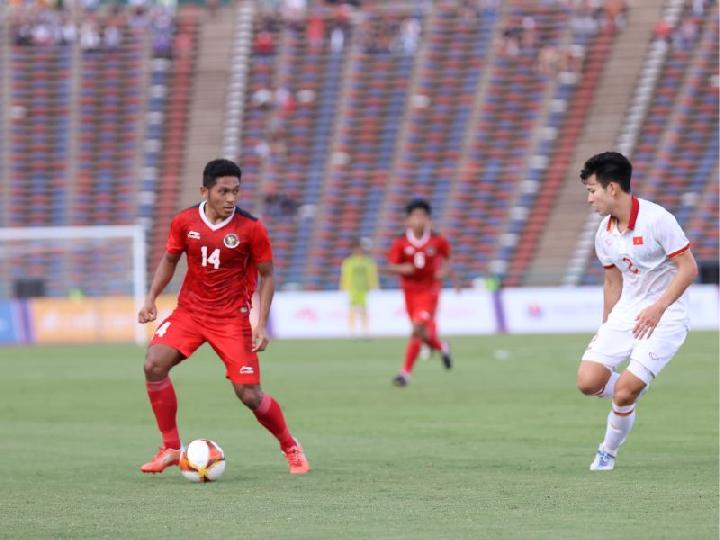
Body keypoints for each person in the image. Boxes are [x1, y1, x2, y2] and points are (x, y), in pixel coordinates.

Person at [137, 159, 310, 475]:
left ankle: (290, 446)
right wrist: (151, 298)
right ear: (205, 191)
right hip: (190, 312)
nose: (231, 199)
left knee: (249, 394)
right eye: (223, 191)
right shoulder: (184, 222)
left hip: (231, 318)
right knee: (153, 364)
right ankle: (171, 448)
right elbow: (170, 259)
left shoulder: (251, 228)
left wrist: (261, 323)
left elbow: (268, 275)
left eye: (236, 191)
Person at [576, 152, 698, 471]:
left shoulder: (658, 220)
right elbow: (611, 282)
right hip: (627, 312)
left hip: (667, 316)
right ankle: (630, 393)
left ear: (612, 187)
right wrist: (605, 326)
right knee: (588, 382)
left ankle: (607, 451)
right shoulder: (604, 233)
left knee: (625, 390)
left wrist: (659, 308)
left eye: (592, 190)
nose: (589, 199)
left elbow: (688, 269)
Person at [387, 199, 454, 387]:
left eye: (423, 215)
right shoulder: (400, 243)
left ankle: (405, 373)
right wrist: (403, 268)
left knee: (417, 328)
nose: (419, 219)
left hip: (429, 289)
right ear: (407, 220)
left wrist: (445, 272)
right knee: (421, 331)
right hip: (409, 292)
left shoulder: (437, 240)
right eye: (415, 215)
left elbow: (449, 258)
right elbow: (392, 266)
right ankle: (442, 347)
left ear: (428, 219)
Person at [340, 238, 378, 338]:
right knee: (353, 310)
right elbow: (345, 275)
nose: (358, 251)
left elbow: (372, 274)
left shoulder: (368, 261)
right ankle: (352, 332)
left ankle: (365, 331)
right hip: (353, 289)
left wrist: (374, 285)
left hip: (364, 289)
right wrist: (343, 287)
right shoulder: (349, 261)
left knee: (364, 310)